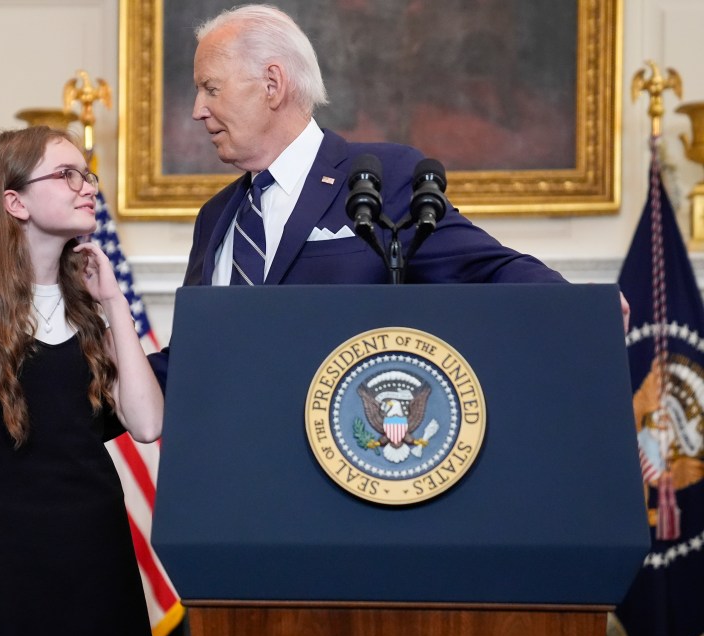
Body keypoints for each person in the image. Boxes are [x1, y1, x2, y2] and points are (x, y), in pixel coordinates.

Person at [146, 3, 629, 390]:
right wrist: (74, 397)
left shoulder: (380, 178)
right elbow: (197, 358)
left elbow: (483, 269)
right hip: (232, 473)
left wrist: (580, 309)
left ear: (272, 84)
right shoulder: (216, 218)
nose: (197, 110)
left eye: (210, 89)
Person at [0, 126, 163, 636]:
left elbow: (148, 424)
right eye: (66, 174)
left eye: (88, 175)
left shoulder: (90, 309)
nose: (86, 187)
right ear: (15, 201)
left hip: (98, 560)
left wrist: (114, 303)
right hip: (3, 562)